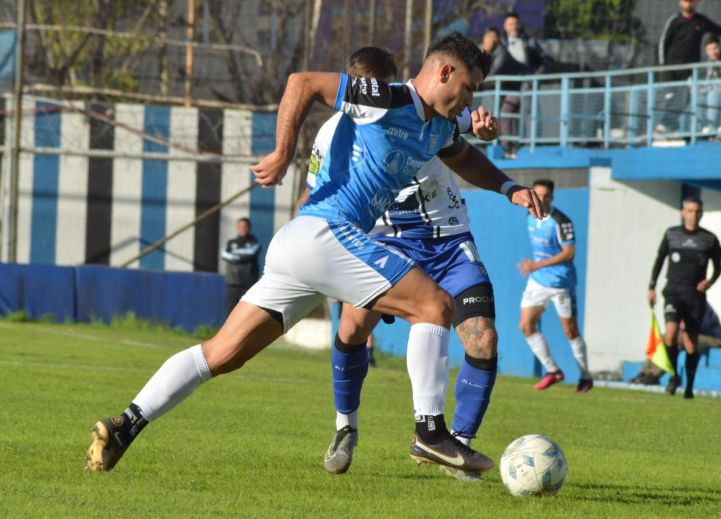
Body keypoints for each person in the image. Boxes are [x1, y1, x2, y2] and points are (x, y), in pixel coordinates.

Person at [84, 34, 545, 475]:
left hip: (302, 246)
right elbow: (301, 83)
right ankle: (430, 431)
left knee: (223, 354)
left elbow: (463, 156)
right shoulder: (388, 99)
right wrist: (283, 151)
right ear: (444, 71)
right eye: (468, 88)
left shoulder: (435, 126)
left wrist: (509, 187)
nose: (469, 99)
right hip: (324, 234)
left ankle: (125, 425)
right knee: (434, 306)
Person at [312, 58, 509, 482]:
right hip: (384, 240)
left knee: (483, 338)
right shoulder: (331, 135)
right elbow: (319, 193)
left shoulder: (416, 108)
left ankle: (456, 443)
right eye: (367, 91)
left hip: (448, 239)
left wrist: (481, 131)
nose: (378, 100)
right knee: (353, 326)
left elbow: (454, 132)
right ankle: (345, 427)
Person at [518, 179, 592, 393]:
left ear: (551, 198)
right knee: (526, 326)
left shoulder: (561, 221)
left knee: (570, 330)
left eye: (545, 196)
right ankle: (553, 371)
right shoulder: (529, 215)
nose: (541, 200)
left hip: (560, 282)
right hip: (538, 280)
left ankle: (585, 377)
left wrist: (536, 265)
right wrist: (536, 268)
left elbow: (569, 253)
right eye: (537, 195)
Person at [648, 197, 721, 399]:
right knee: (671, 334)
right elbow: (659, 260)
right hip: (673, 291)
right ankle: (673, 377)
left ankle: (689, 386)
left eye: (697, 211)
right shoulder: (672, 234)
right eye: (690, 211)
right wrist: (651, 287)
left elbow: (718, 267)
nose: (693, 215)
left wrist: (710, 281)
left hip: (695, 296)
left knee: (691, 342)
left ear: (702, 213)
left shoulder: (709, 239)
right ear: (683, 212)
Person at [656, 0, 721, 132]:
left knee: (688, 97)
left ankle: (673, 125)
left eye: (692, 2)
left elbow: (718, 30)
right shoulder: (674, 21)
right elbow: (663, 43)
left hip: (690, 70)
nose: (689, 4)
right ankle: (665, 124)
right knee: (671, 97)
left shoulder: (701, 21)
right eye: (686, 1)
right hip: (672, 69)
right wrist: (663, 67)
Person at [629, 302, 721, 385]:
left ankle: (654, 375)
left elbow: (701, 326)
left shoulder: (699, 302)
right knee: (662, 337)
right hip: (694, 337)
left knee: (676, 339)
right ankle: (644, 372)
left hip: (712, 339)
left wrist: (685, 325)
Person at [499, 12, 545, 157]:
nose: (514, 27)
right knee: (507, 114)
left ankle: (527, 145)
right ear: (505, 26)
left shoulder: (528, 41)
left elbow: (543, 60)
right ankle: (507, 146)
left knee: (526, 114)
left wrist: (534, 77)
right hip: (508, 86)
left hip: (525, 85)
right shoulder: (501, 43)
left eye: (516, 24)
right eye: (510, 24)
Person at [220, 217, 261, 315]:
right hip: (232, 284)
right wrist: (240, 257)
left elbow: (251, 252)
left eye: (245, 226)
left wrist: (234, 255)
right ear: (237, 227)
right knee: (230, 313)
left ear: (249, 227)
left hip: (248, 285)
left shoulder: (254, 242)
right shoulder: (231, 242)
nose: (242, 228)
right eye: (240, 226)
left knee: (247, 314)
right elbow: (224, 254)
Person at [699, 35, 721, 132]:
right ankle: (698, 128)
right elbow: (709, 80)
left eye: (715, 48)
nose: (713, 52)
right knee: (698, 99)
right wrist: (702, 89)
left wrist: (708, 88)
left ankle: (712, 127)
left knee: (713, 95)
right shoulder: (710, 61)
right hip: (717, 88)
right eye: (709, 50)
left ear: (720, 47)